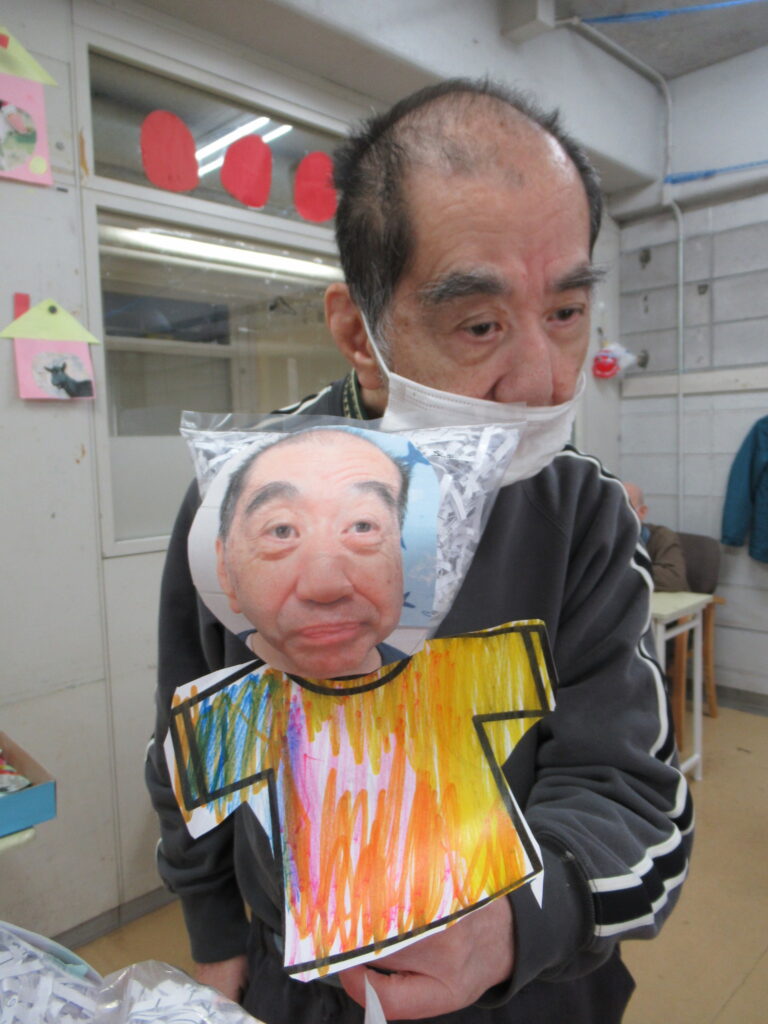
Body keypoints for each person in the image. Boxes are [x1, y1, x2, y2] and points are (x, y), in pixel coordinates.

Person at [147, 78, 693, 1024]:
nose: (541, 380)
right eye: (481, 325)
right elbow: (195, 739)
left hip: (535, 990)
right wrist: (217, 930)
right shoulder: (249, 502)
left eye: (566, 313)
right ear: (359, 333)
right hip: (304, 985)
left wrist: (515, 925)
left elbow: (631, 794)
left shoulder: (582, 517)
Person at [214, 428, 408, 678]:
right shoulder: (208, 696)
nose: (324, 587)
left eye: (362, 526)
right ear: (225, 570)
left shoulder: (437, 682)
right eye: (282, 530)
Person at [624, 481, 690, 592]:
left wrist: (621, 572)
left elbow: (674, 577)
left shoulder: (662, 537)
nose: (615, 513)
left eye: (625, 507)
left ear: (642, 512)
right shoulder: (601, 536)